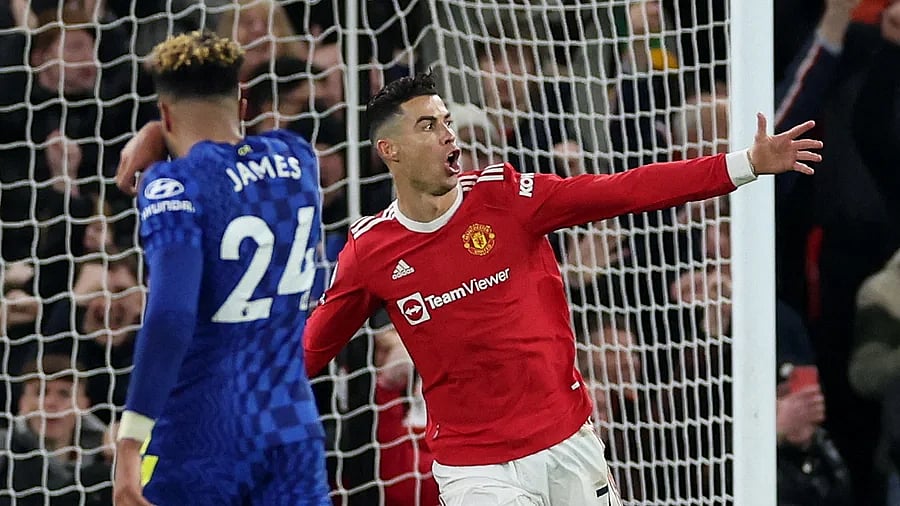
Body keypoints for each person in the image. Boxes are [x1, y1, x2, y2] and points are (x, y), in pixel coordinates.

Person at [297, 70, 822, 505]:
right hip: (474, 469)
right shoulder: (370, 251)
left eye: (448, 123)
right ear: (390, 150)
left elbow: (625, 190)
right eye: (429, 127)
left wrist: (744, 164)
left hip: (568, 443)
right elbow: (310, 349)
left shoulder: (505, 196)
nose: (448, 137)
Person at [111, 31, 329, 505]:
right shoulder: (297, 160)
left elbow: (170, 314)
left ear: (165, 113)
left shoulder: (173, 184)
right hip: (291, 429)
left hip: (201, 436)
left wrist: (129, 443)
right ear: (244, 102)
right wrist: (165, 133)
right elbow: (241, 163)